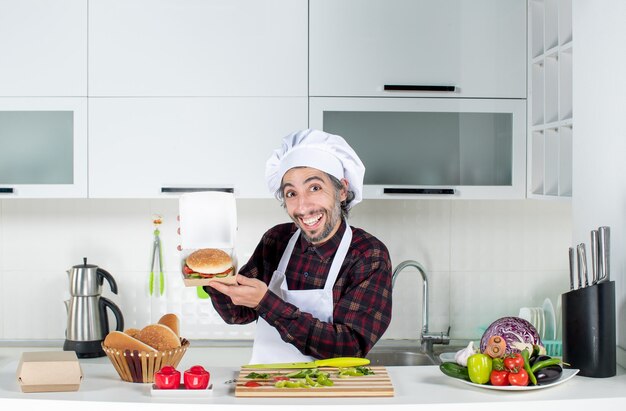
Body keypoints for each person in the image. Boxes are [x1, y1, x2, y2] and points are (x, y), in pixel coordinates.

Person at [205, 129, 392, 363]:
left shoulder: (368, 255)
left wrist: (267, 303)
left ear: (342, 190)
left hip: (331, 392)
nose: (302, 207)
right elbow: (237, 313)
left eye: (314, 188)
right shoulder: (277, 240)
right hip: (268, 387)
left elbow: (349, 348)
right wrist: (208, 252)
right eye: (291, 193)